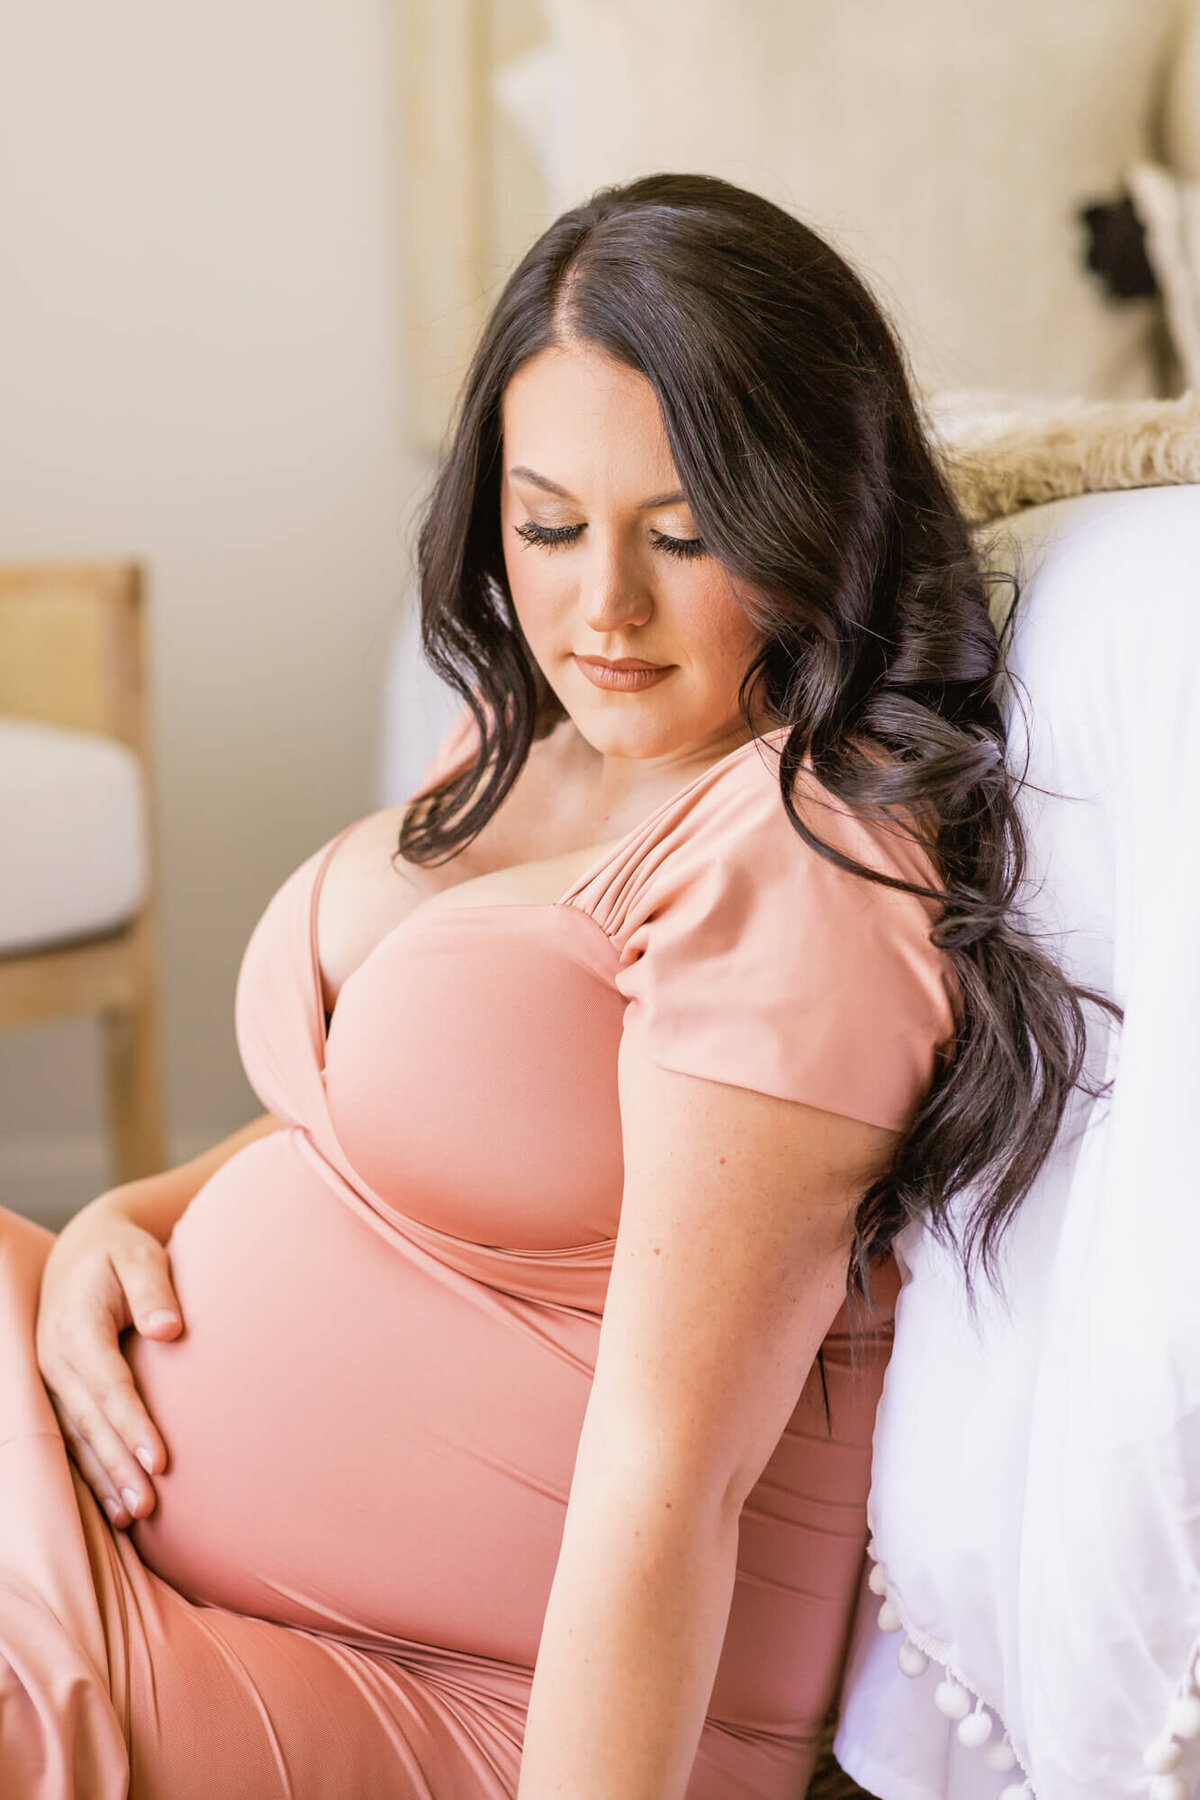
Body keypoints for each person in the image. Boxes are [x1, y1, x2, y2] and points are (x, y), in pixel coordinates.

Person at [1, 172, 1119, 1799]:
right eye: (548, 525)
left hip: (457, 1689)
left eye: (686, 536)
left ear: (818, 518)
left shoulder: (796, 858)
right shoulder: (534, 731)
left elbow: (672, 1466)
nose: (604, 610)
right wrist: (140, 1216)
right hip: (174, 1526)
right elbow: (374, 1139)